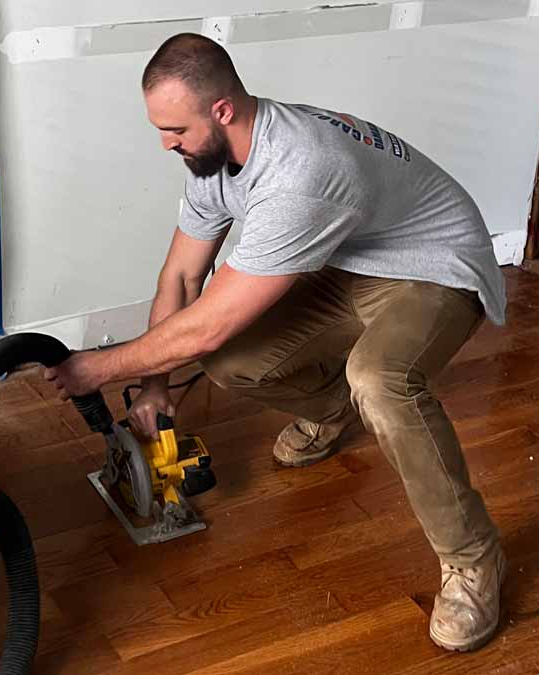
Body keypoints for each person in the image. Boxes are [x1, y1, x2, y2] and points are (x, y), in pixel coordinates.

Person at [45, 32, 508, 652]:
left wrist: (98, 368)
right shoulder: (212, 159)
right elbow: (182, 278)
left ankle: (474, 561)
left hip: (434, 264)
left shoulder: (300, 171)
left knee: (381, 379)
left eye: (175, 130)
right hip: (350, 261)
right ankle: (334, 410)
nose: (165, 144)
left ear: (223, 111)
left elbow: (208, 319)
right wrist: (153, 390)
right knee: (229, 361)